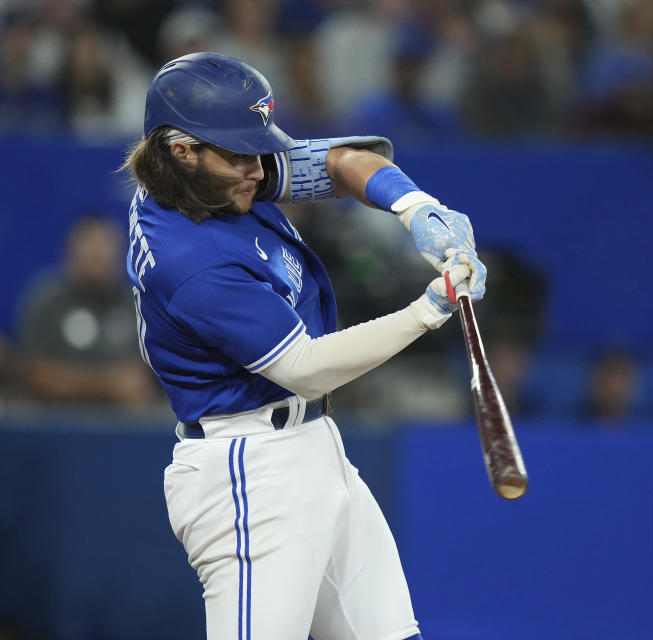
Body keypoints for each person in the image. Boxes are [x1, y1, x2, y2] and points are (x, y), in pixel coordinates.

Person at [122, 52, 486, 639]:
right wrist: (429, 309)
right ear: (180, 149)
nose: (256, 167)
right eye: (238, 151)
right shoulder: (191, 261)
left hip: (313, 447)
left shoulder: (208, 177)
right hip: (247, 472)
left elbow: (345, 163)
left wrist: (416, 207)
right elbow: (305, 368)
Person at [15, 215, 158, 408]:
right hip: (53, 422)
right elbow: (36, 373)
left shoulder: (138, 304)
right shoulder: (46, 301)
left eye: (104, 247)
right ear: (70, 253)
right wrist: (109, 385)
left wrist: (67, 381)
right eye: (90, 248)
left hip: (124, 426)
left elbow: (144, 377)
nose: (97, 254)